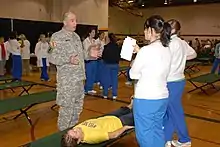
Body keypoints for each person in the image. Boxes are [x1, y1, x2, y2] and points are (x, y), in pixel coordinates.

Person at [48, 11, 100, 131]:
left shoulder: (76, 37)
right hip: (67, 82)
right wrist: (68, 59)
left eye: (76, 20)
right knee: (66, 111)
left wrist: (89, 54)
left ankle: (71, 137)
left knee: (77, 110)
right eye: (72, 20)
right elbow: (51, 56)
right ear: (64, 22)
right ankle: (62, 137)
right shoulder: (56, 37)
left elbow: (81, 56)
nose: (75, 23)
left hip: (79, 80)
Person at [129, 15, 172, 147]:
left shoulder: (146, 51)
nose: (144, 32)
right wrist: (140, 52)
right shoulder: (167, 49)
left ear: (151, 31)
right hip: (162, 97)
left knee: (145, 136)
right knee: (157, 131)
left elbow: (133, 74)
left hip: (146, 99)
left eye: (145, 29)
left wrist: (137, 55)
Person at [164, 19, 197, 147]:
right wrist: (182, 58)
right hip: (179, 81)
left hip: (171, 81)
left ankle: (185, 139)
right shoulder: (182, 43)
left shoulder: (169, 43)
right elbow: (193, 54)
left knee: (174, 111)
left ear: (172, 30)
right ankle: (167, 137)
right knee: (170, 111)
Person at [61, 99, 134, 147]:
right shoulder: (93, 137)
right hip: (119, 123)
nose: (75, 128)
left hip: (108, 118)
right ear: (79, 141)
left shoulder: (77, 130)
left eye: (72, 130)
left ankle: (131, 105)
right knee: (139, 114)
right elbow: (114, 135)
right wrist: (125, 128)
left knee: (125, 109)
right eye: (75, 132)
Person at [102, 33, 121, 99]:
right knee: (114, 80)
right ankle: (114, 94)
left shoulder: (106, 47)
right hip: (115, 65)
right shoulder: (117, 47)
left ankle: (105, 94)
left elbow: (103, 56)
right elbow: (119, 56)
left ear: (109, 39)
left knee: (106, 80)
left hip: (107, 65)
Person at [83, 28, 98, 94]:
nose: (94, 34)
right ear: (89, 33)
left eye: (94, 32)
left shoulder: (94, 41)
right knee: (88, 75)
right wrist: (91, 46)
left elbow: (96, 49)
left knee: (93, 75)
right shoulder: (86, 41)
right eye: (92, 32)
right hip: (88, 60)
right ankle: (86, 89)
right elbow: (86, 50)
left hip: (94, 59)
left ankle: (90, 88)